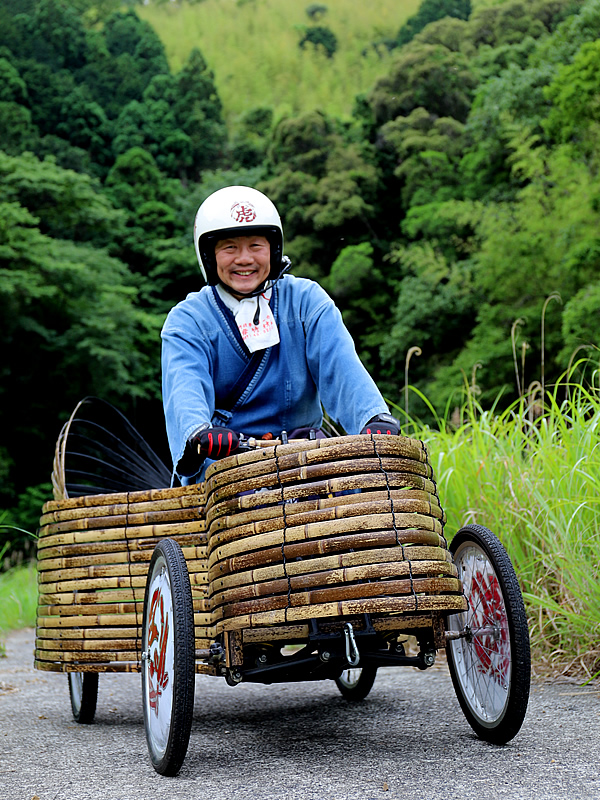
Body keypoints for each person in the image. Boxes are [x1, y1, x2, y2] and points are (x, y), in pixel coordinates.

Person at [161, 185, 400, 485]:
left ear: (273, 250)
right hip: (226, 468)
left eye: (256, 246)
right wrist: (198, 432)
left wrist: (373, 418)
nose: (244, 258)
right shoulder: (187, 320)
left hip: (307, 460)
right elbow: (185, 389)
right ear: (209, 256)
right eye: (230, 247)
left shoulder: (306, 301)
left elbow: (342, 369)